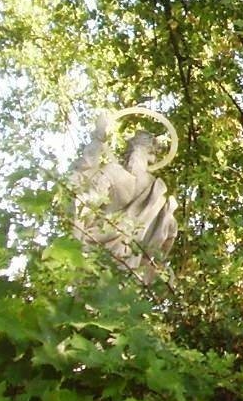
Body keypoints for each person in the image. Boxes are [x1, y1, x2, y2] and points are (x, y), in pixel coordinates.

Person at [71, 114, 178, 280]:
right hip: (114, 259)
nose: (134, 154)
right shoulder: (154, 191)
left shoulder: (157, 194)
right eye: (134, 149)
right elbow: (167, 239)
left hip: (112, 260)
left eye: (139, 149)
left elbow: (88, 201)